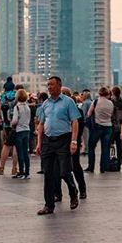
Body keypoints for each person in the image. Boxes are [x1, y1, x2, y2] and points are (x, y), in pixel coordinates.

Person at [35, 77, 81, 215]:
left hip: (63, 140)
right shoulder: (45, 104)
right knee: (48, 173)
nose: (49, 87)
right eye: (48, 85)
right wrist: (39, 143)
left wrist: (74, 142)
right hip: (48, 141)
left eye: (52, 85)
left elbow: (74, 122)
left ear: (59, 86)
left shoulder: (68, 102)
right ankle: (48, 205)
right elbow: (41, 124)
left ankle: (73, 191)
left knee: (64, 171)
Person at [86, 87, 114, 173]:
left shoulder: (96, 101)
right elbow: (111, 114)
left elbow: (89, 114)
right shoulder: (111, 103)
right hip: (108, 126)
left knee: (91, 147)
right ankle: (103, 167)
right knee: (105, 148)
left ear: (99, 93)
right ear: (107, 94)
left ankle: (91, 167)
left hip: (97, 127)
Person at [12, 89, 32, 179]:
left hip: (19, 130)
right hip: (27, 129)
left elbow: (15, 120)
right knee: (25, 152)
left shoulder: (17, 107)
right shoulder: (27, 107)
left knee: (20, 152)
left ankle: (21, 171)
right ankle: (27, 172)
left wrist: (12, 124)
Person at [110, 86, 122, 169]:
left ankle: (110, 162)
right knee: (119, 145)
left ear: (112, 92)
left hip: (112, 126)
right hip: (120, 126)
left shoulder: (111, 101)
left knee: (110, 145)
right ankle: (119, 163)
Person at [80, 89, 93, 154]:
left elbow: (83, 113)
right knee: (89, 136)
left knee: (85, 137)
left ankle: (86, 149)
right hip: (91, 122)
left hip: (86, 122)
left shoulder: (85, 103)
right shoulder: (92, 102)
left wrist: (82, 121)